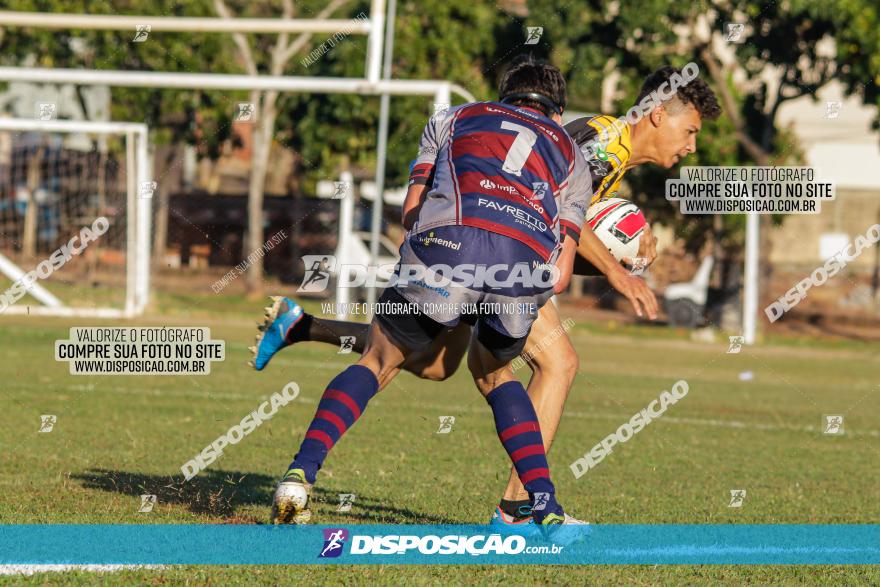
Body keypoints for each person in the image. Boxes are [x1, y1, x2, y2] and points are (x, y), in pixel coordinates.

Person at [253, 64, 722, 530]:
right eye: (691, 130)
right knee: (554, 364)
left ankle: (302, 329)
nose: (691, 145)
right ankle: (519, 510)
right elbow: (552, 210)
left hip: (459, 247)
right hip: (511, 255)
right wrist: (616, 269)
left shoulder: (490, 125)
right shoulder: (597, 146)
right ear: (658, 114)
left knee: (430, 363)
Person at [264, 56, 592, 529]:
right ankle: (544, 505)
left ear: (504, 98)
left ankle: (299, 477)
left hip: (445, 248)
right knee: (498, 376)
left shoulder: (453, 117)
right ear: (556, 112)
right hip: (519, 267)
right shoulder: (573, 154)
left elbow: (412, 212)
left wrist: (443, 258)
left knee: (377, 362)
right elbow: (560, 275)